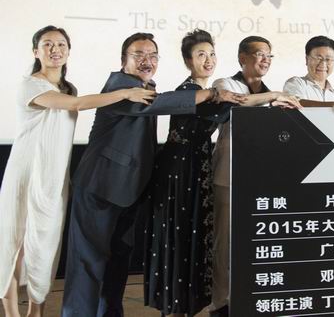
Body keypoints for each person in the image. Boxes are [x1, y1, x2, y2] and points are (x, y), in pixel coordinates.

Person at [61, 32, 221, 317]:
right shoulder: (120, 85)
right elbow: (162, 104)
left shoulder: (146, 85)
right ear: (124, 59)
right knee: (88, 264)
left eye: (153, 55)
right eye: (139, 55)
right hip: (99, 188)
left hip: (128, 191)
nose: (147, 60)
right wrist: (211, 93)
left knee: (117, 265)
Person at [0, 26, 153, 317]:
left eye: (61, 44)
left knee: (45, 246)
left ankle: (36, 310)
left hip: (55, 177)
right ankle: (11, 312)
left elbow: (73, 102)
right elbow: (77, 105)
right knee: (16, 243)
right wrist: (125, 92)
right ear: (36, 51)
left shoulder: (68, 87)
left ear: (68, 51)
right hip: (27, 173)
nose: (55, 49)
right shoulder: (31, 85)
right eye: (48, 44)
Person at [143, 30, 245, 317]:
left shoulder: (212, 92)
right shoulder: (187, 91)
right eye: (201, 55)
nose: (208, 60)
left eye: (211, 54)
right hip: (178, 174)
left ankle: (184, 308)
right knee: (178, 241)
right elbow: (228, 107)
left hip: (197, 171)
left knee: (192, 240)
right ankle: (174, 308)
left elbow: (233, 105)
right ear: (188, 61)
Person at [209, 36, 300, 317]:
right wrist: (272, 98)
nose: (265, 60)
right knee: (224, 245)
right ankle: (220, 303)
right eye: (260, 54)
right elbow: (233, 108)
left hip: (261, 181)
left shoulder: (274, 95)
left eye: (269, 56)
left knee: (254, 245)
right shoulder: (224, 84)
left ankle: (249, 300)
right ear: (242, 58)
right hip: (228, 177)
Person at [284, 35, 334, 120]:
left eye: (328, 59)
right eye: (318, 58)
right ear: (307, 59)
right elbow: (294, 103)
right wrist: (333, 105)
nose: (323, 64)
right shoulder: (296, 83)